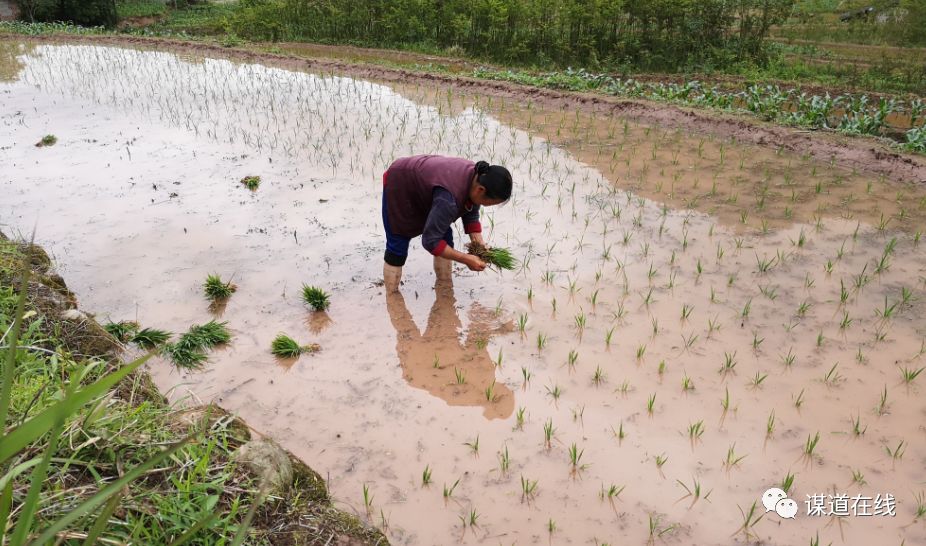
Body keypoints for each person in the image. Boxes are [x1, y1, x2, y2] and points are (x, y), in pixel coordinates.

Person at [381, 155, 512, 292]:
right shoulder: (449, 199)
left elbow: (471, 210)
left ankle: (444, 287)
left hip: (430, 187)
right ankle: (392, 298)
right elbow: (430, 241)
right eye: (490, 203)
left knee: (444, 236)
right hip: (401, 183)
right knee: (398, 242)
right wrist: (466, 259)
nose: (487, 206)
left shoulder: (479, 178)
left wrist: (479, 243)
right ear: (480, 190)